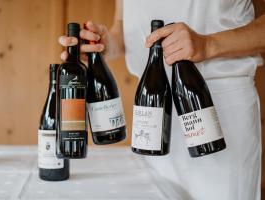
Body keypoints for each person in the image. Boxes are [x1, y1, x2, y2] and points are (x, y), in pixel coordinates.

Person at [58, 0, 265, 199]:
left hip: (220, 110)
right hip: (150, 110)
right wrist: (105, 45)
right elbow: (122, 28)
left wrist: (207, 44)